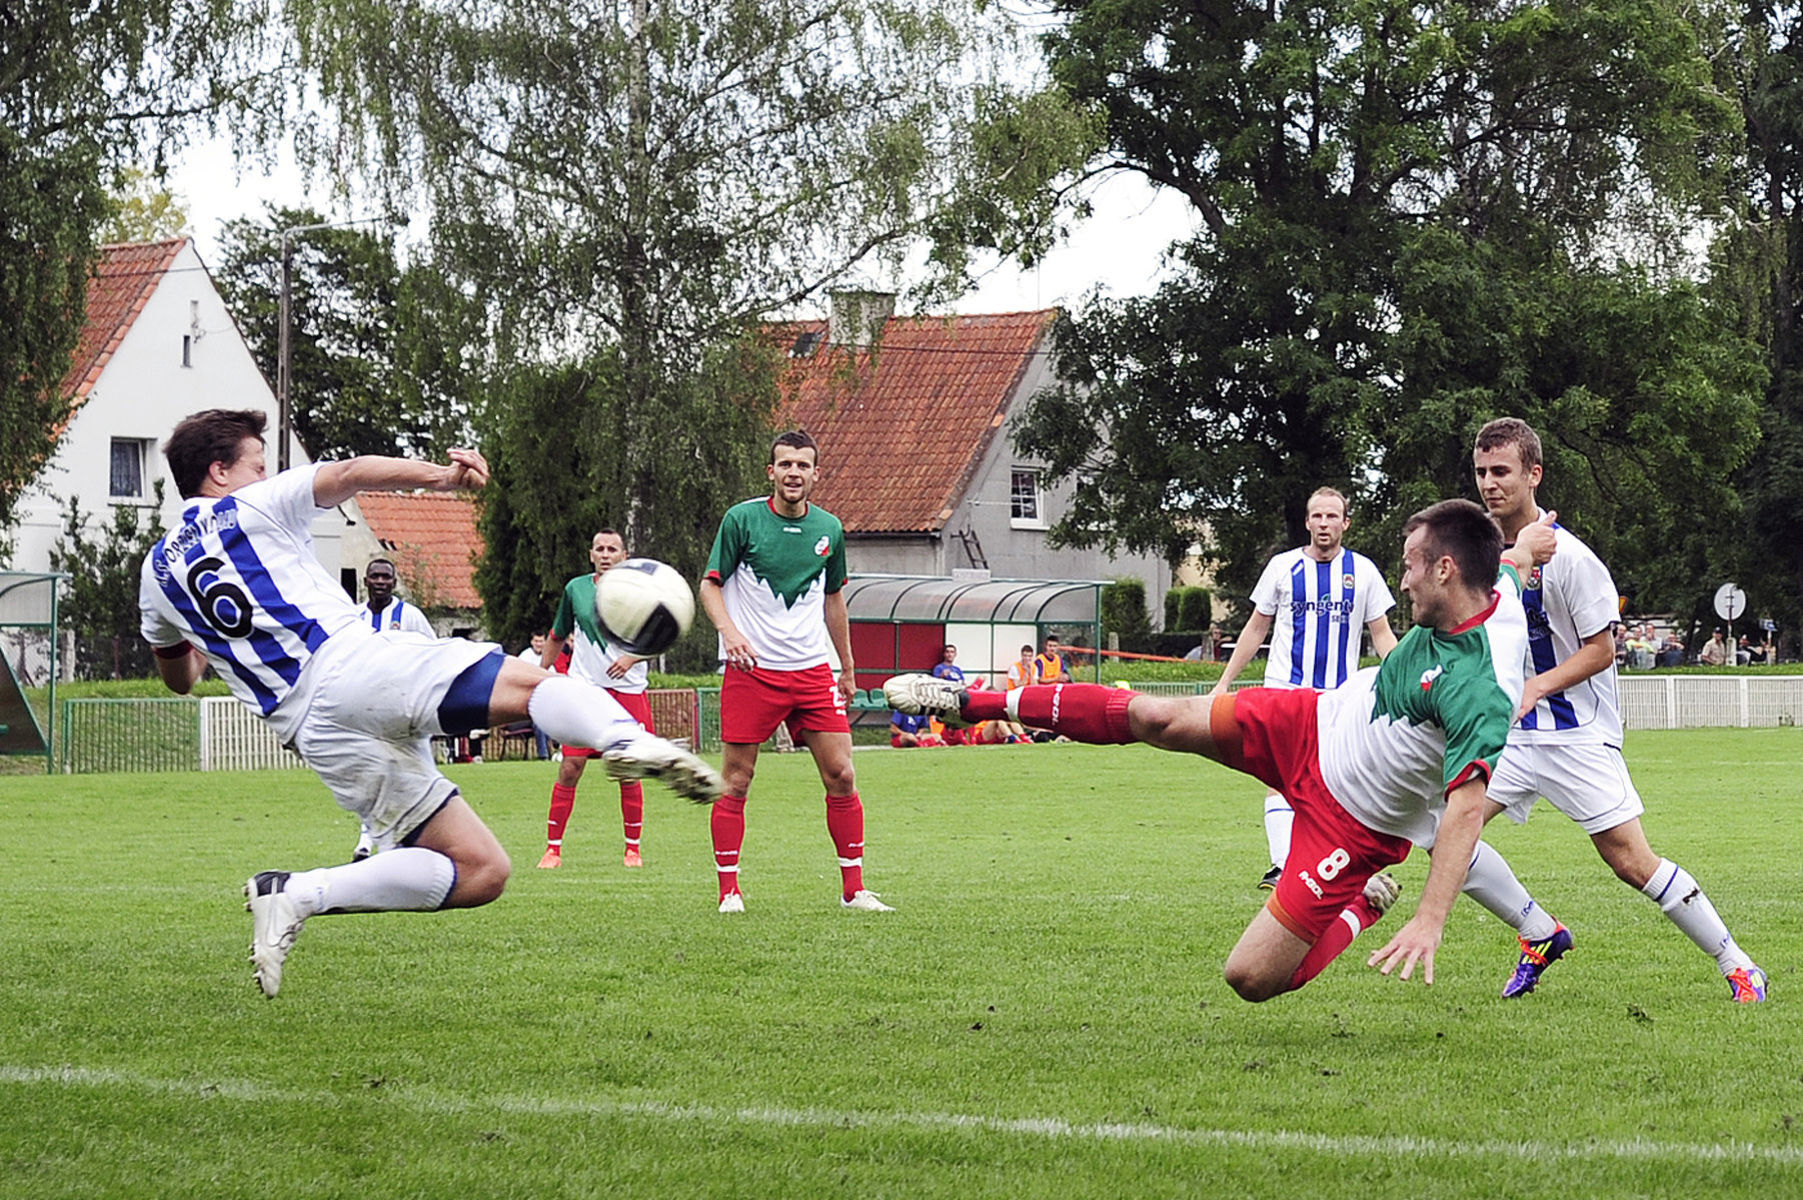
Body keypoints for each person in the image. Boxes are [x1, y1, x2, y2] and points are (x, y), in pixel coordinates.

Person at [137, 409, 722, 999]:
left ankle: (296, 893)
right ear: (219, 472)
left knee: (482, 870)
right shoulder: (249, 506)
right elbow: (350, 472)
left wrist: (217, 642)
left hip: (310, 729)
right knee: (529, 685)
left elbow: (181, 677)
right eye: (257, 465)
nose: (267, 474)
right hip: (353, 667)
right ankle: (628, 741)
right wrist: (444, 478)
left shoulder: (156, 574)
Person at [887, 500, 1558, 1000]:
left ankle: (1359, 907)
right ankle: (970, 701)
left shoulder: (1481, 684)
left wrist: (1429, 919)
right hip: (1308, 723)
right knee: (1156, 716)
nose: (1402, 580)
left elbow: (1465, 812)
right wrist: (1526, 538)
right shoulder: (1484, 587)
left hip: (1352, 826)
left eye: (1410, 566)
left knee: (1251, 977)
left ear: (1443, 570)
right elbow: (1511, 558)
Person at [1471, 417, 1765, 1001]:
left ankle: (1738, 964)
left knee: (1632, 862)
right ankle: (1540, 931)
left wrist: (1536, 688)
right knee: (1444, 829)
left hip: (1576, 735)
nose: (1489, 484)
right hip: (1509, 737)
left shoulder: (1574, 559)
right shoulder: (1484, 554)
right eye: (1481, 472)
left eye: (1501, 471)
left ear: (1534, 475)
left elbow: (1603, 650)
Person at [699, 429, 891, 914]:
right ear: (771, 471)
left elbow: (834, 600)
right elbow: (709, 586)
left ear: (815, 474)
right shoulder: (741, 520)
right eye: (785, 464)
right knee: (737, 780)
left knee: (842, 774)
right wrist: (730, 633)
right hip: (752, 671)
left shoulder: (830, 529)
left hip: (812, 671)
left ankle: (854, 891)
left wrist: (847, 667)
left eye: (803, 466)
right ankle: (729, 892)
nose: (793, 473)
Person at [1211, 487, 1399, 890]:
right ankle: (1281, 866)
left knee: (1341, 779)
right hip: (1285, 690)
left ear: (1346, 523)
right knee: (1278, 776)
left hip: (1338, 697)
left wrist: (1403, 678)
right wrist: (1224, 682)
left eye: (1332, 517)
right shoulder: (1283, 567)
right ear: (1307, 521)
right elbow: (1256, 628)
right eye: (1317, 516)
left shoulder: (1363, 572)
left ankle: (1345, 863)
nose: (1324, 524)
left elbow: (1381, 633)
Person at [534, 530, 660, 869]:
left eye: (612, 549)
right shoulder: (576, 589)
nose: (605, 554)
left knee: (627, 771)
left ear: (624, 555)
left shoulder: (641, 589)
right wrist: (540, 673)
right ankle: (552, 849)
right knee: (570, 767)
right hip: (585, 691)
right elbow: (558, 634)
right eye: (600, 549)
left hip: (628, 692)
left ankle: (632, 849)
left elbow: (662, 634)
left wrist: (632, 659)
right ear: (591, 554)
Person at [354, 557, 435, 635]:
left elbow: (431, 646)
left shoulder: (411, 614)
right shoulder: (355, 615)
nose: (380, 581)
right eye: (374, 576)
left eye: (386, 577)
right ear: (365, 581)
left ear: (394, 583)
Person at [514, 634, 552, 760]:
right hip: (525, 706)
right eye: (536, 641)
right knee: (540, 722)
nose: (539, 644)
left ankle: (553, 750)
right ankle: (544, 755)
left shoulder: (549, 657)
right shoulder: (525, 657)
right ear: (531, 641)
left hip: (544, 702)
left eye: (541, 641)